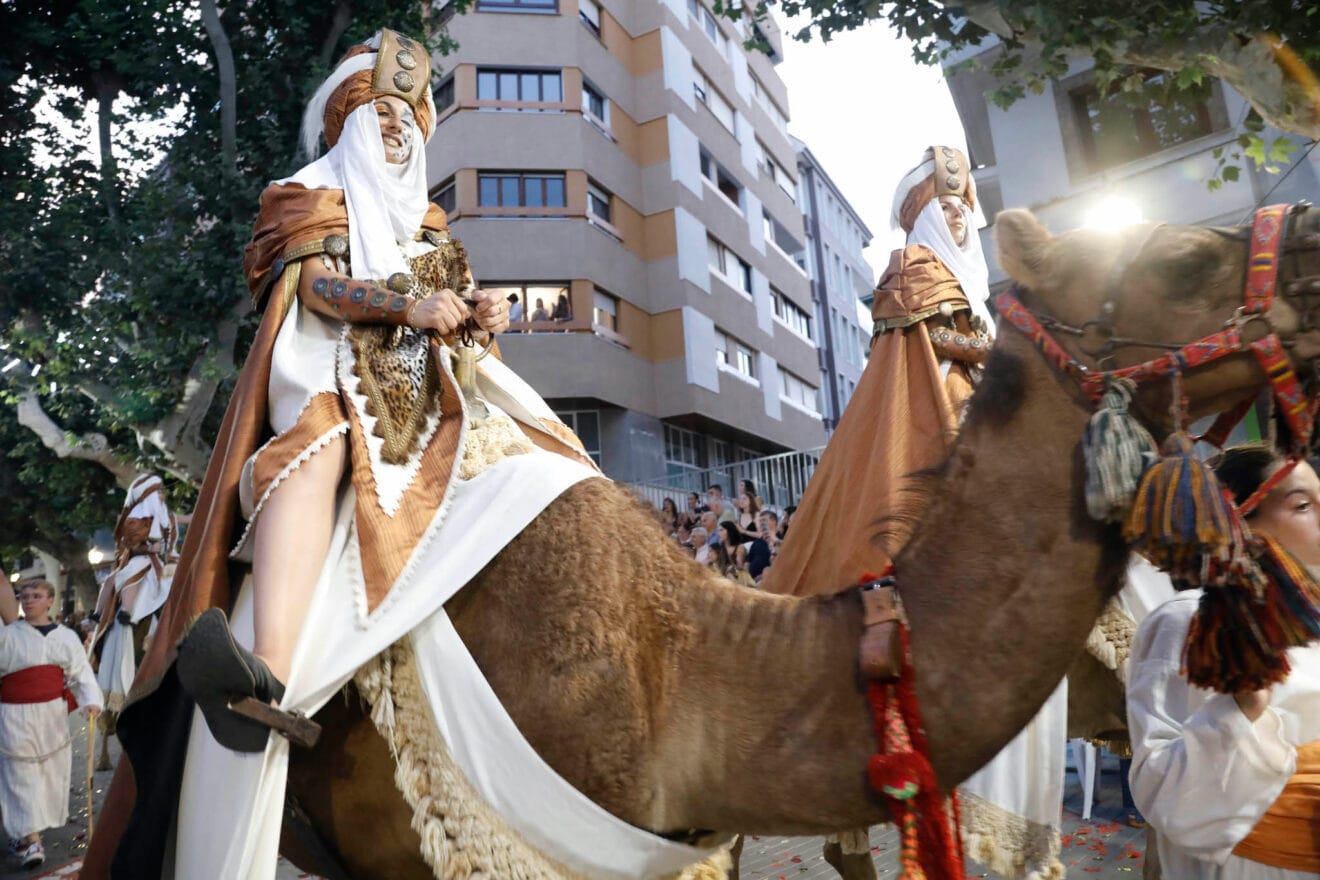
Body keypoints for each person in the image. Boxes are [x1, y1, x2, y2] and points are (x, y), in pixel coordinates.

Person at [89, 29, 603, 879]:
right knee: (320, 447)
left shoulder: (432, 222)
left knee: (551, 457)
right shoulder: (301, 193)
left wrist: (480, 312)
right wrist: (408, 309)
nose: (397, 124)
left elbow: (457, 314)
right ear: (342, 122)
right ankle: (268, 677)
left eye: (409, 111)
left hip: (439, 395)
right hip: (329, 382)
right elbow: (318, 288)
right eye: (378, 109)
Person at [1128, 445, 1320, 878]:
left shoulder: (1309, 618)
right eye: (1303, 505)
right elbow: (1165, 792)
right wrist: (1242, 709)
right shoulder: (1190, 621)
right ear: (1238, 521)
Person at [0, 580, 102, 869]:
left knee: (48, 774)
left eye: (37, 596)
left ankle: (28, 831)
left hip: (52, 717)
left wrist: (90, 701)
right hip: (14, 715)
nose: (29, 600)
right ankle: (29, 838)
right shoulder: (7, 636)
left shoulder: (67, 637)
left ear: (50, 601)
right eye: (25, 596)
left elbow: (80, 673)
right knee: (20, 774)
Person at [89, 473, 176, 714]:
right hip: (142, 561)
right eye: (156, 491)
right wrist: (150, 547)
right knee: (120, 580)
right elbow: (130, 544)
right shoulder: (136, 517)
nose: (161, 495)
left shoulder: (163, 515)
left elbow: (181, 520)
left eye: (161, 491)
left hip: (164, 564)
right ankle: (116, 614)